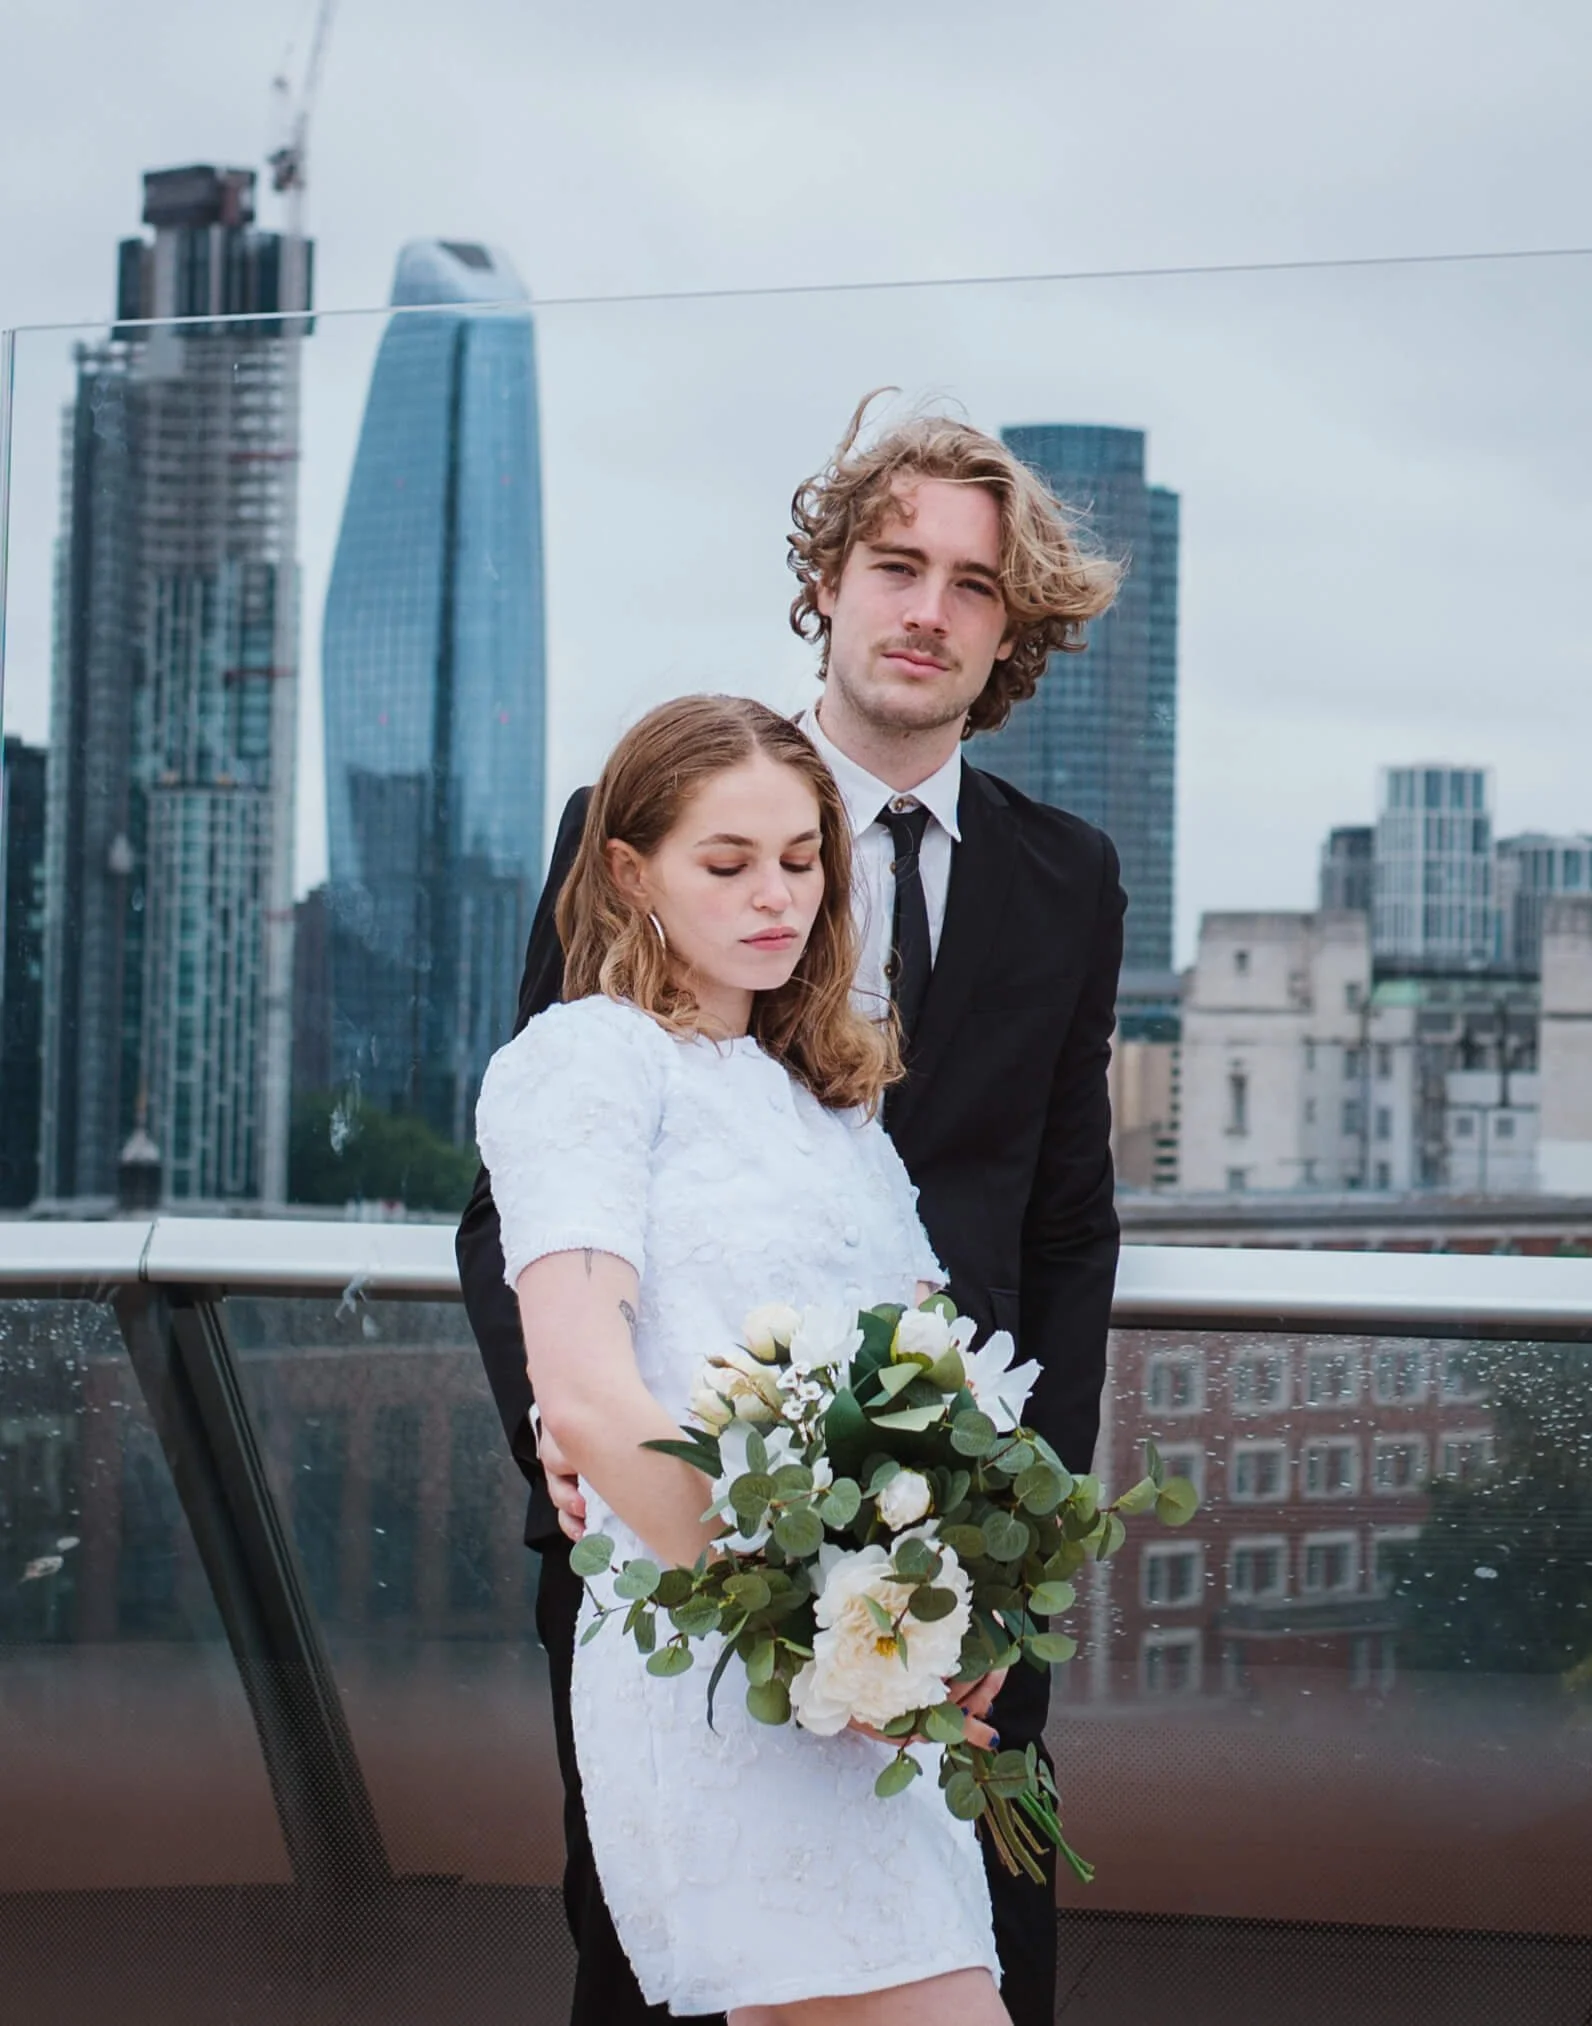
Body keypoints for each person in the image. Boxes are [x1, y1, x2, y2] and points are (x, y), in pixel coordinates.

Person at [457, 395, 1126, 2026]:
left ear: (1009, 625)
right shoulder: (651, 817)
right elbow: (528, 1201)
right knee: (663, 1979)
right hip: (683, 1560)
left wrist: (1003, 1551)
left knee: (975, 1958)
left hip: (941, 1568)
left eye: (973, 584)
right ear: (824, 582)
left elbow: (1060, 1232)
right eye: (895, 564)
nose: (927, 610)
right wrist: (580, 1452)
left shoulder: (1070, 876)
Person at [474, 695, 1009, 2024]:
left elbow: (935, 1408)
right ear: (626, 870)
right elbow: (590, 1393)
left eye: (800, 856)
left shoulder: (826, 1108)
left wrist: (952, 1622)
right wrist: (831, 1640)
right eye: (727, 863)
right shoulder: (587, 1061)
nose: (776, 896)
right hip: (718, 1674)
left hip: (859, 1698)